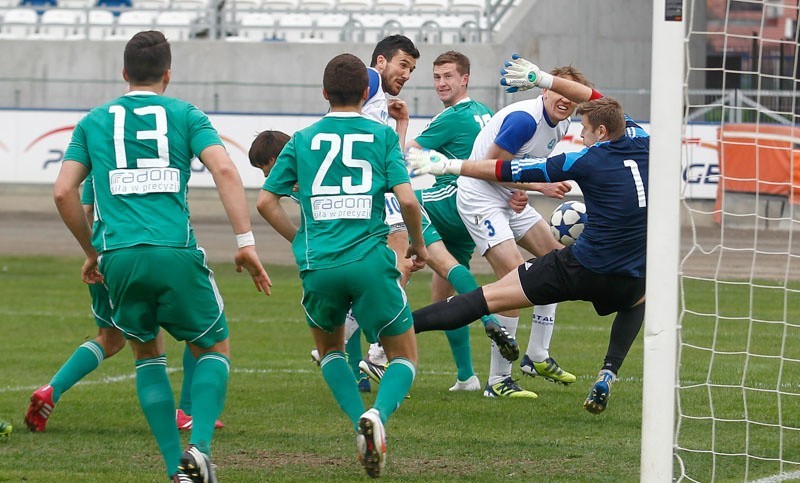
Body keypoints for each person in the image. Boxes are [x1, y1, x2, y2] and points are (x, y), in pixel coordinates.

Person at [53, 30, 271, 483]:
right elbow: (225, 170)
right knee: (213, 346)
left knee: (147, 355)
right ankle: (202, 451)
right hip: (174, 250)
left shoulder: (93, 121)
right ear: (168, 75)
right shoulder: (186, 114)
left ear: (124, 74)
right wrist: (245, 241)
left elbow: (62, 191)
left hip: (119, 258)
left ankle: (177, 468)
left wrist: (93, 251)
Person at [406, 60, 648, 414]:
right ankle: (604, 370)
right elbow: (597, 101)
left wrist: (446, 165)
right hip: (627, 273)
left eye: (584, 129)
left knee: (489, 298)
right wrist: (542, 79)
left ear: (599, 130)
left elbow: (503, 169)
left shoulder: (582, 160)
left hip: (579, 265)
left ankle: (403, 327)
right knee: (640, 300)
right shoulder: (643, 139)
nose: (579, 135)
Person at [256, 53, 427, 478]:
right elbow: (407, 199)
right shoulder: (381, 135)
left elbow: (265, 201)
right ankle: (378, 416)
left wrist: (299, 240)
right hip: (369, 259)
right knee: (403, 356)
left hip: (319, 264)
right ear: (368, 91)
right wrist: (417, 246)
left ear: (323, 93)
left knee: (331, 350)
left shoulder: (300, 140)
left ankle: (358, 421)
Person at [447, 59, 600, 398]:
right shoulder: (523, 120)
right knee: (517, 278)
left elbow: (518, 166)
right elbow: (488, 168)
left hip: (505, 195)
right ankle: (498, 381)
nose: (565, 100)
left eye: (570, 95)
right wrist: (538, 188)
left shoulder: (561, 124)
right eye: (558, 91)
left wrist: (519, 190)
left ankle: (537, 355)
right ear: (545, 90)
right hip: (480, 198)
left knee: (560, 262)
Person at [24, 177, 223, 434]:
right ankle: (186, 411)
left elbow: (83, 209)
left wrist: (92, 254)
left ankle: (52, 390)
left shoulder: (101, 160)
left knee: (109, 339)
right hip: (155, 253)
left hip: (105, 256)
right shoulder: (153, 159)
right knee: (199, 330)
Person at [402, 50, 518, 392]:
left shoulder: (452, 117)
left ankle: (377, 347)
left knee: (394, 207)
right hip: (478, 206)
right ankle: (467, 377)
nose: (442, 83)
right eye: (437, 77)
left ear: (465, 78)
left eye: (449, 76)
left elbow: (404, 154)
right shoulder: (484, 112)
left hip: (452, 198)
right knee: (443, 297)